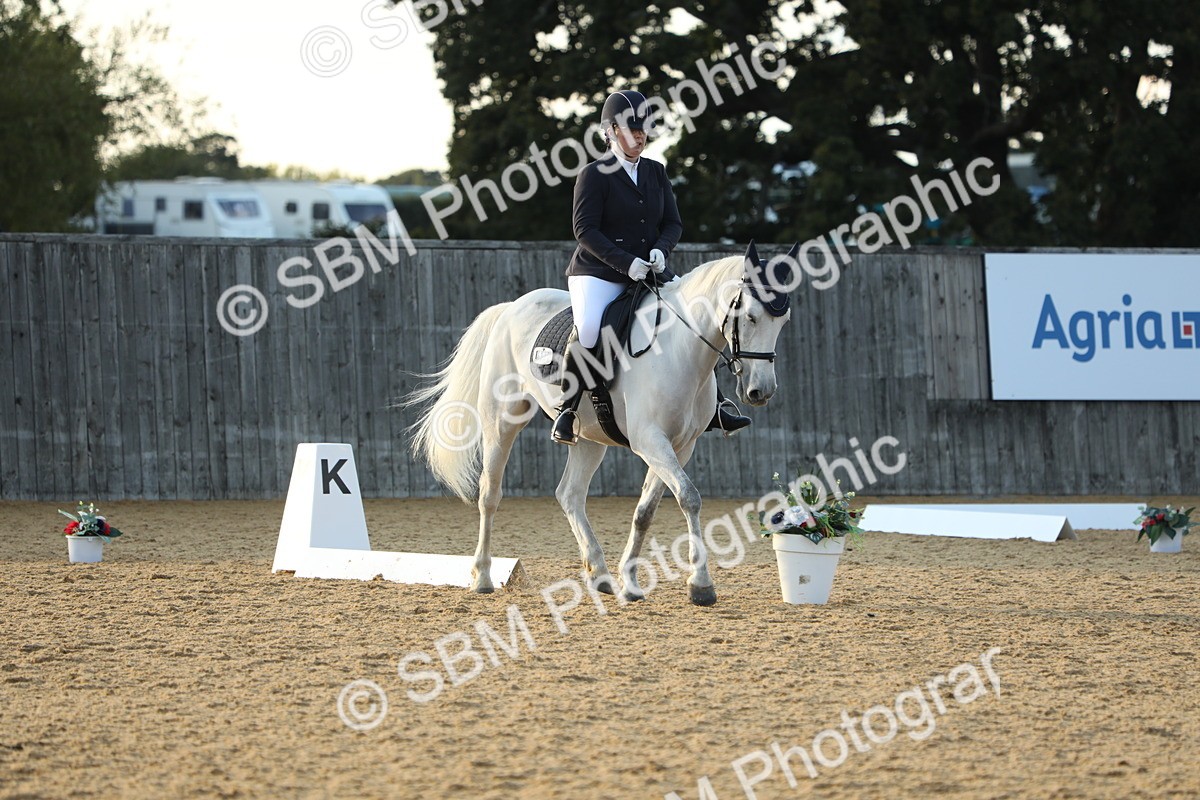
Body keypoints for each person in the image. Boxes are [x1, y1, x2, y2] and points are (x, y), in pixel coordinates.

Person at [552, 89, 751, 445]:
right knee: (588, 329)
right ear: (611, 130)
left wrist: (661, 250)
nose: (640, 135)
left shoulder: (656, 172)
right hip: (597, 272)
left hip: (649, 268)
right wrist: (625, 263)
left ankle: (716, 405)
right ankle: (567, 409)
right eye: (631, 128)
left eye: (643, 129)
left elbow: (672, 223)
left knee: (693, 317)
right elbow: (585, 230)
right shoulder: (594, 174)